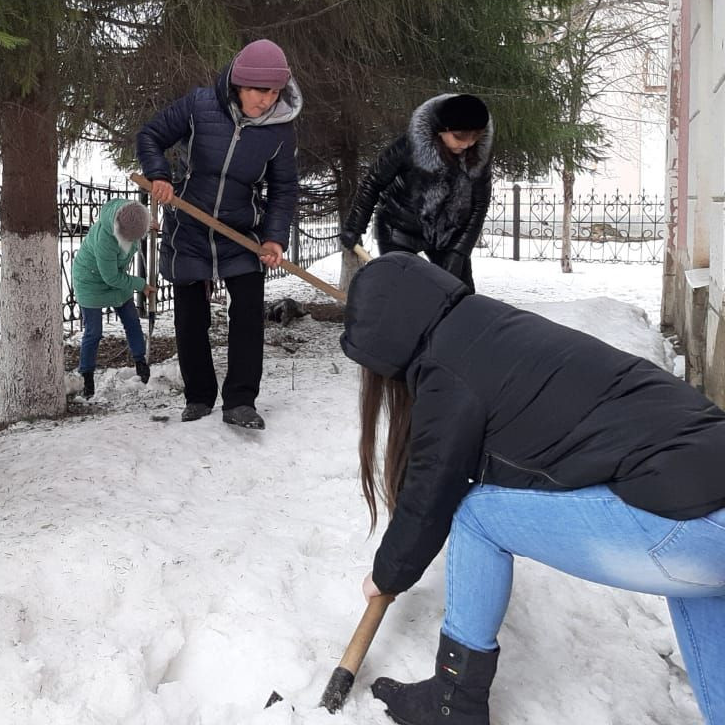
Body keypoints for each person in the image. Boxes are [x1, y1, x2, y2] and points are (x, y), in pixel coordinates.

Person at [339, 252, 725, 724]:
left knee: (477, 515)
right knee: (705, 585)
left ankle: (453, 701)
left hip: (695, 522)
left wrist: (386, 575)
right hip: (709, 489)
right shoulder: (496, 328)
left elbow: (430, 495)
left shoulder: (448, 375)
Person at [137, 38, 300, 430]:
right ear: (238, 85)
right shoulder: (199, 105)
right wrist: (159, 174)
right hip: (190, 226)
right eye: (261, 91)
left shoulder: (280, 130)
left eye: (275, 92)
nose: (268, 100)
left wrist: (275, 237)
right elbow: (151, 135)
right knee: (190, 317)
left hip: (240, 230)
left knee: (247, 311)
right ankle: (199, 396)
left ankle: (241, 400)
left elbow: (284, 189)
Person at [338, 93, 493, 290]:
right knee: (403, 295)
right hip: (399, 228)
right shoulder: (410, 146)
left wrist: (459, 251)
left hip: (447, 232)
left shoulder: (477, 156)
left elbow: (480, 204)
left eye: (474, 138)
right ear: (441, 129)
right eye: (459, 137)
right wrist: (354, 227)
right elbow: (373, 182)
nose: (466, 144)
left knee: (459, 293)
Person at [70, 198, 158, 399]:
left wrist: (149, 223)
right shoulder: (105, 240)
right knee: (94, 332)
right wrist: (140, 284)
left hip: (117, 278)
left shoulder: (131, 214)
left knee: (132, 321)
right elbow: (110, 277)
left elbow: (138, 221)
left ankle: (141, 363)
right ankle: (87, 376)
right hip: (91, 281)